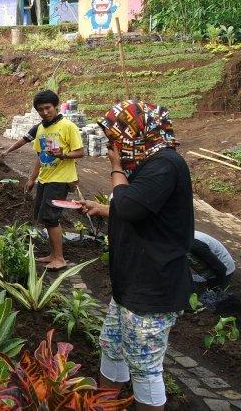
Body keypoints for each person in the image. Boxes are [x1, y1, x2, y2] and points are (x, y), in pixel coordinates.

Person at [80, 100, 193, 411]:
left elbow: (129, 207)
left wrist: (116, 167)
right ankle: (105, 405)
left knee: (144, 366)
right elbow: (144, 209)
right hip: (132, 283)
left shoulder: (165, 165)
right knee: (112, 346)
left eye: (115, 141)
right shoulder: (148, 164)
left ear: (136, 136)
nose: (111, 149)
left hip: (153, 286)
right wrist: (104, 209)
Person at [25, 90, 83, 270]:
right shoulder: (41, 129)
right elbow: (40, 157)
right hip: (45, 178)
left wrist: (63, 155)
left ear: (55, 106)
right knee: (44, 217)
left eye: (48, 108)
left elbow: (81, 152)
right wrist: (32, 178)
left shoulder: (68, 126)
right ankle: (52, 254)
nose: (44, 112)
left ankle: (60, 258)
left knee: (51, 217)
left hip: (61, 179)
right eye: (40, 109)